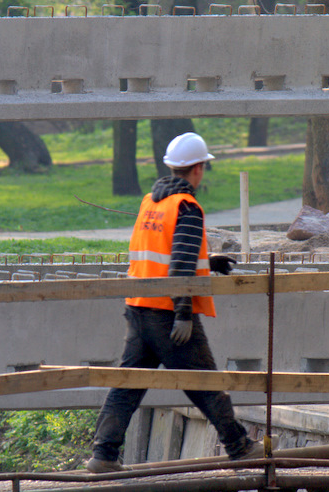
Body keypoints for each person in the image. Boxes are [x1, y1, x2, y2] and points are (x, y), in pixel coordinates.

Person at [86, 132, 261, 473]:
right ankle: (239, 446)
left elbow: (164, 254)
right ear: (197, 169)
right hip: (168, 312)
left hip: (138, 306)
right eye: (204, 168)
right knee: (205, 382)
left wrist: (208, 261)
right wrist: (183, 313)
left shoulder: (151, 201)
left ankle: (103, 455)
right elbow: (179, 264)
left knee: (128, 384)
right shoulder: (187, 207)